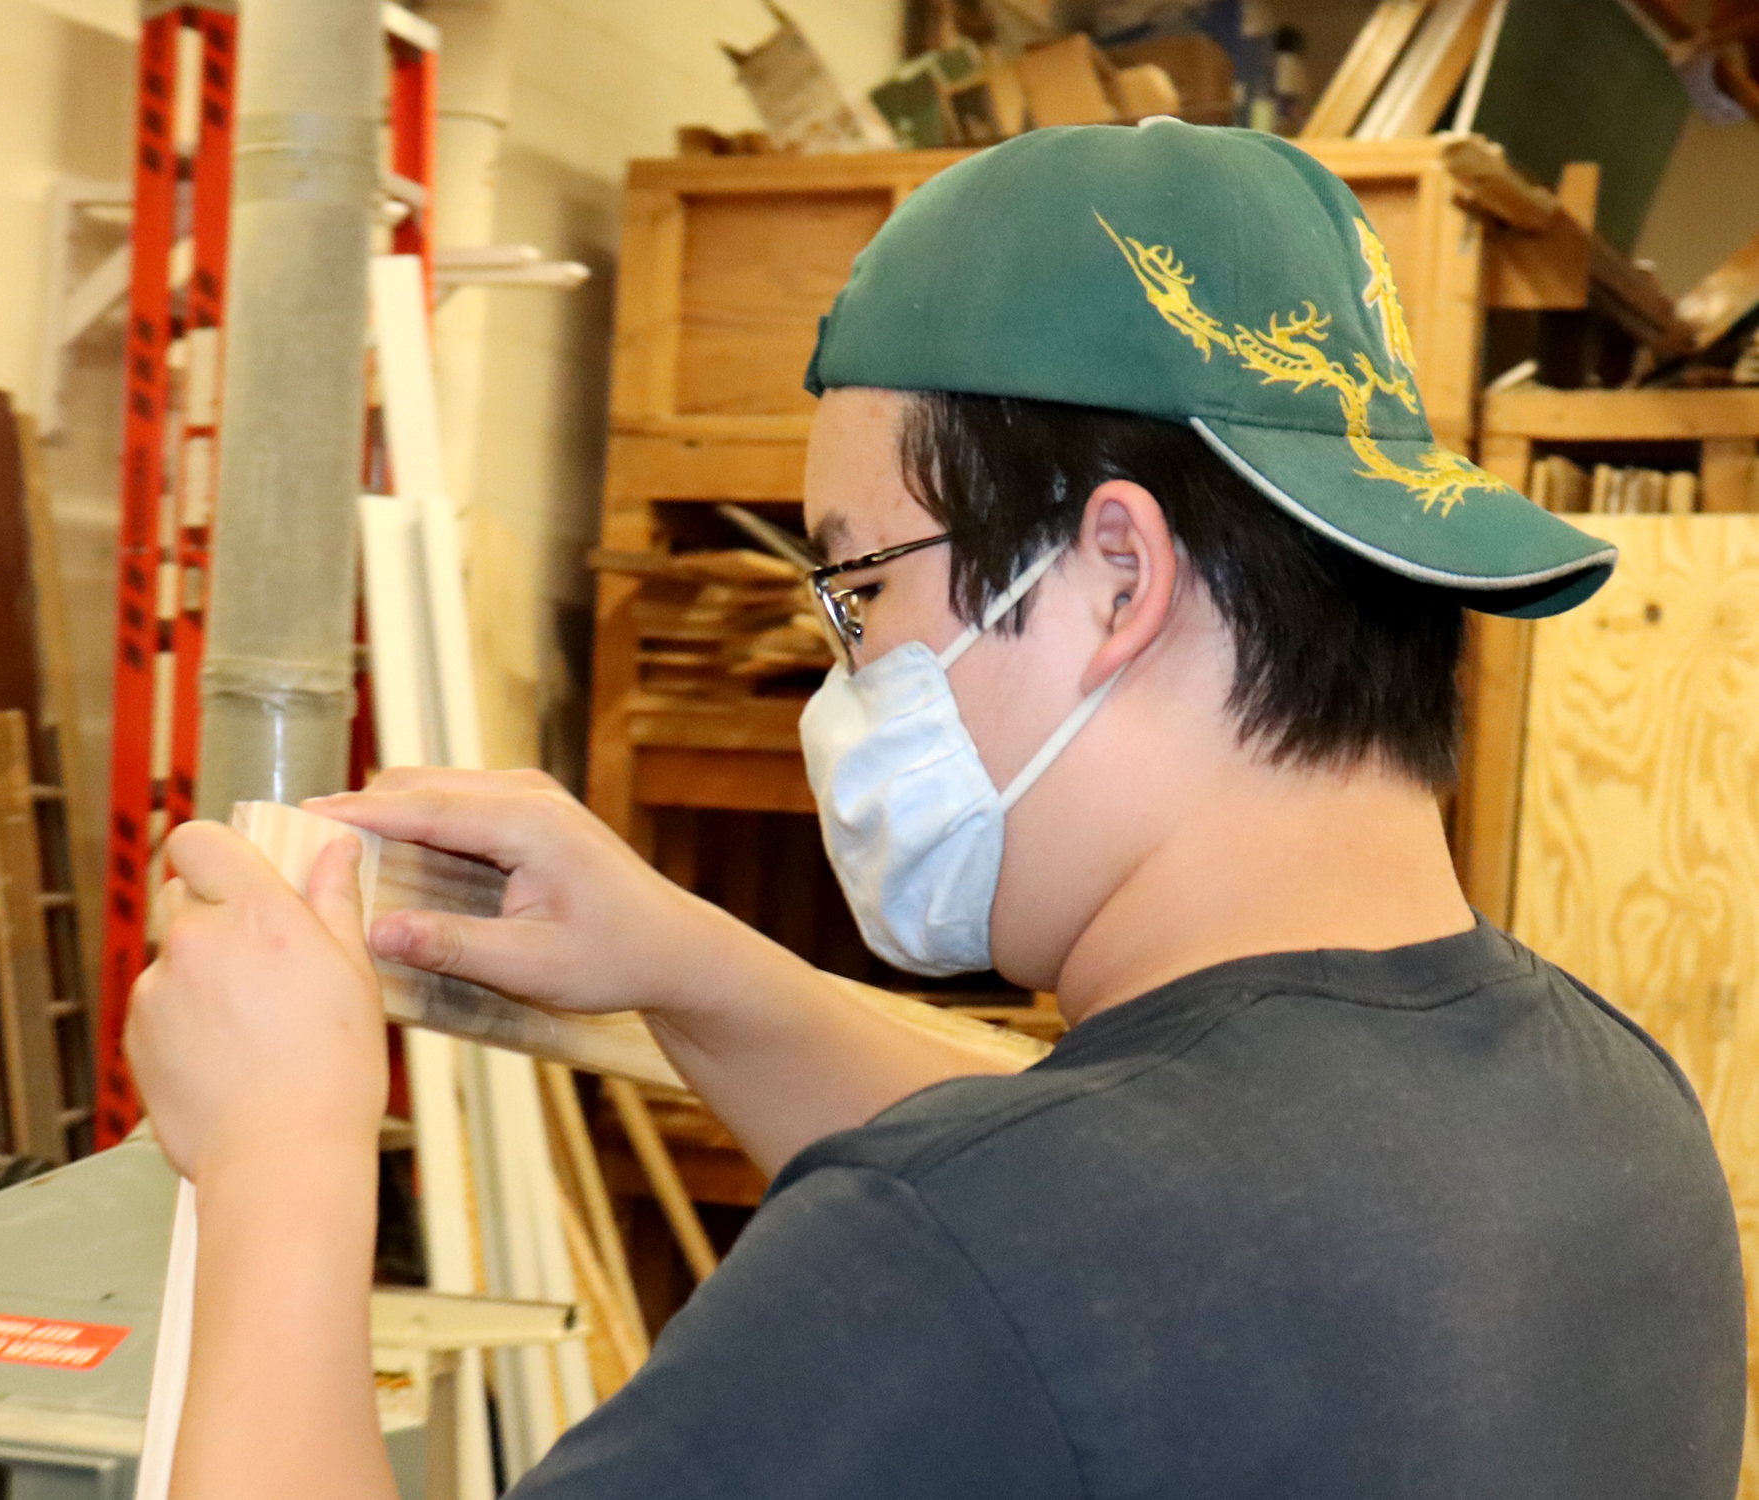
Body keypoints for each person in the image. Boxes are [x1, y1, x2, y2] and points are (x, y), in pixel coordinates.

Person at [125, 121, 1746, 1500]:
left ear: (1113, 576)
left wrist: (286, 1164)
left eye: (856, 583)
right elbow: (1135, 1234)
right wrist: (689, 963)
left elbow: (1013, 1238)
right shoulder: (1616, 1119)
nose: (842, 670)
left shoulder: (957, 1252)